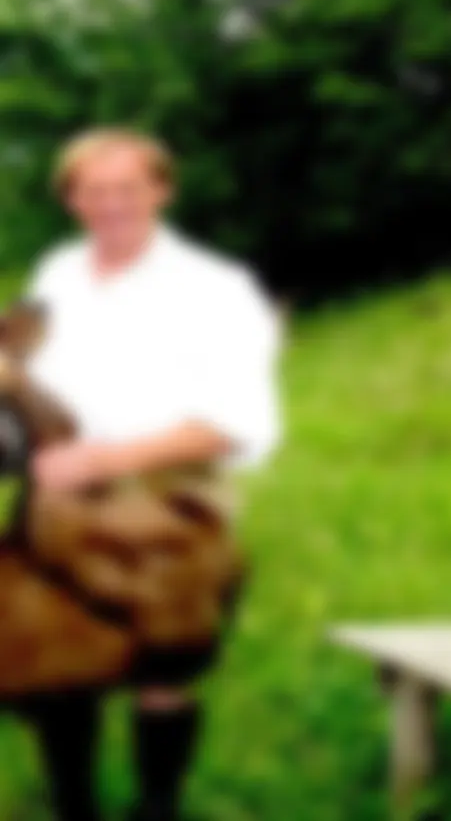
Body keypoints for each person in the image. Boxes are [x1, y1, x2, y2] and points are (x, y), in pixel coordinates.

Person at [20, 126, 283, 821]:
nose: (110, 204)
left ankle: (158, 804)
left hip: (173, 501)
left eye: (126, 188)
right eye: (92, 190)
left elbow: (235, 422)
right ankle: (72, 805)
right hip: (59, 497)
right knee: (54, 663)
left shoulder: (214, 289)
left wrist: (103, 460)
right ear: (73, 199)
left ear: (160, 191)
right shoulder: (56, 279)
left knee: (160, 667)